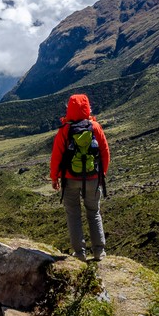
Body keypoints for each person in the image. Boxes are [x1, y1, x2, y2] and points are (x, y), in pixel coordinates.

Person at [50, 93, 110, 261]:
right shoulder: (95, 127)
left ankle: (80, 254)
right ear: (87, 107)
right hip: (92, 178)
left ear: (69, 109)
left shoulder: (65, 130)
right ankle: (99, 251)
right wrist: (101, 174)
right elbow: (105, 152)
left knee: (73, 215)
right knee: (94, 212)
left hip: (70, 179)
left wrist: (55, 178)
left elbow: (56, 156)